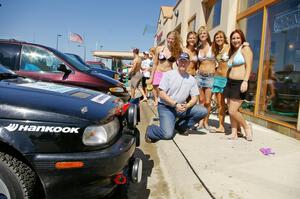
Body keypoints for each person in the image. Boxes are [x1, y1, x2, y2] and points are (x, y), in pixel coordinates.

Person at [145, 52, 208, 143]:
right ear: (177, 62)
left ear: (188, 63)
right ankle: (151, 129)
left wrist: (188, 105)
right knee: (167, 135)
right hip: (166, 108)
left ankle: (179, 127)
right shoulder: (168, 75)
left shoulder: (192, 80)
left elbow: (195, 97)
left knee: (202, 111)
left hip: (181, 108)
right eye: (181, 61)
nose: (183, 63)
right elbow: (161, 93)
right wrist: (175, 104)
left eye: (185, 61)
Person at [224, 29, 253, 141]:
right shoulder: (232, 52)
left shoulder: (245, 49)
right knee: (231, 109)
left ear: (242, 39)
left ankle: (246, 127)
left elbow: (249, 66)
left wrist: (245, 81)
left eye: (237, 38)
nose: (235, 40)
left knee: (232, 111)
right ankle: (234, 133)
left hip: (240, 83)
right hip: (230, 83)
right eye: (233, 38)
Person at [149, 31, 182, 106]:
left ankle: (164, 103)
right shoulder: (160, 49)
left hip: (168, 73)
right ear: (166, 38)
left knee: (166, 91)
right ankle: (156, 100)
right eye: (169, 38)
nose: (170, 40)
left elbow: (178, 63)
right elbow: (155, 64)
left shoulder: (176, 51)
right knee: (156, 88)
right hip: (158, 71)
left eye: (172, 39)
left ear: (175, 40)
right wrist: (151, 76)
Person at [195, 26, 216, 132]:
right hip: (199, 76)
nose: (202, 35)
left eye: (204, 33)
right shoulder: (198, 48)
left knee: (208, 101)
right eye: (200, 34)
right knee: (201, 101)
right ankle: (200, 122)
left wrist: (245, 44)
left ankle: (206, 122)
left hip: (210, 77)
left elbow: (226, 49)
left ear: (207, 34)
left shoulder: (213, 46)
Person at [211, 30, 230, 133]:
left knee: (232, 105)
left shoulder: (229, 47)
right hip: (218, 78)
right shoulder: (217, 50)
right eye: (217, 37)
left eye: (221, 37)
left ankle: (238, 128)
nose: (219, 39)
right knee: (220, 104)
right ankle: (221, 126)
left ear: (224, 37)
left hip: (227, 78)